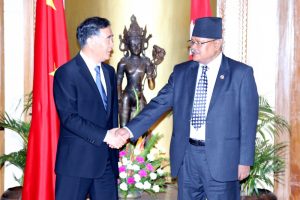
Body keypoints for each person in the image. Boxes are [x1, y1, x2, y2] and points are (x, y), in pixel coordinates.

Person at [117, 17, 259, 200]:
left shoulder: (240, 74)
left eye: (200, 43)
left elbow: (248, 121)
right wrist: (128, 130)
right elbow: (157, 105)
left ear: (218, 44)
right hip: (187, 157)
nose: (194, 47)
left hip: (223, 159)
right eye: (192, 42)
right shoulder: (182, 72)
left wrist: (245, 161)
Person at [53, 17, 124, 200]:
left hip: (106, 162)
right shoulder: (66, 73)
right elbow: (69, 118)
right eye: (108, 38)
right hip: (76, 163)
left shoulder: (109, 72)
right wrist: (106, 136)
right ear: (91, 41)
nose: (112, 44)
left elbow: (111, 114)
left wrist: (115, 137)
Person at [117, 15, 165, 127]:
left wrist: (151, 72)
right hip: (127, 96)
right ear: (127, 45)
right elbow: (118, 83)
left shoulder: (146, 62)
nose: (136, 47)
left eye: (139, 44)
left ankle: (142, 145)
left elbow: (152, 86)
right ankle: (124, 145)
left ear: (143, 45)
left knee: (144, 125)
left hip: (140, 94)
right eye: (133, 45)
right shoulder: (123, 62)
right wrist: (119, 99)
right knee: (124, 126)